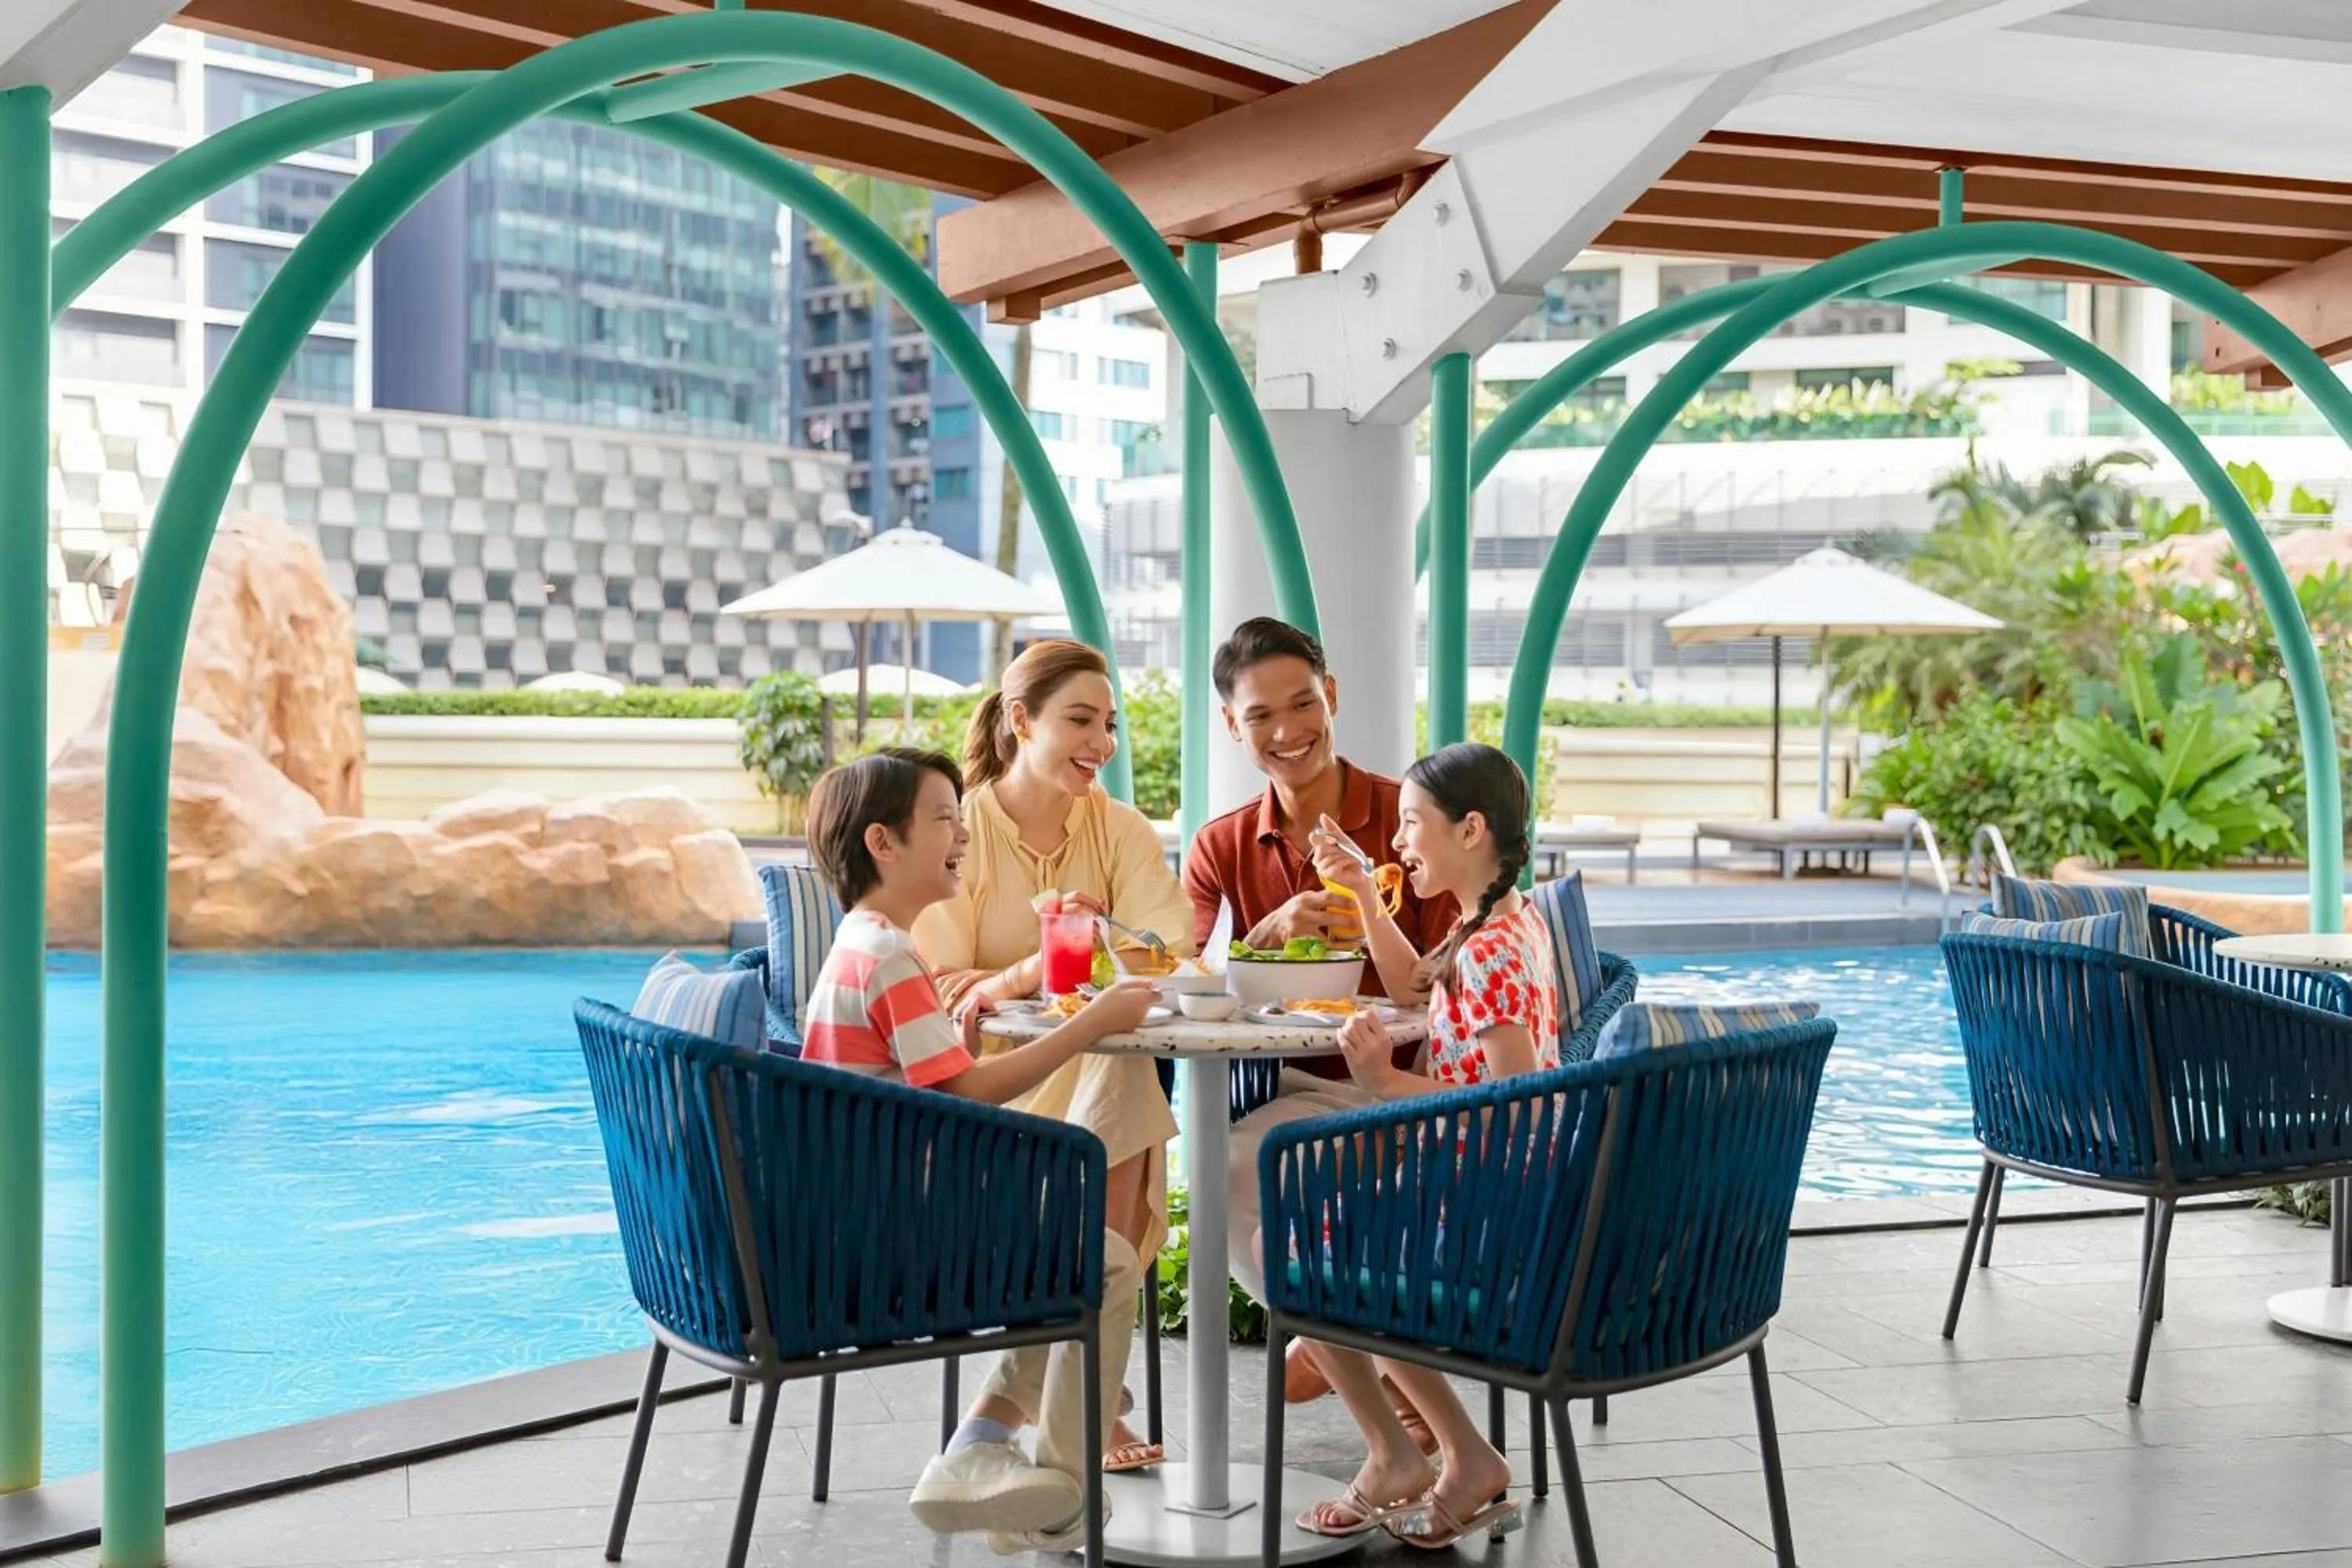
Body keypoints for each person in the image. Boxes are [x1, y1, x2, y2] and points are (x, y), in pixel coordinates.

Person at [799, 747, 1161, 1553]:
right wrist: (1088, 1024)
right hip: (903, 1239)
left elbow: (925, 1079)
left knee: (1064, 1254)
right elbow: (964, 1098)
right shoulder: (893, 953)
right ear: (883, 843)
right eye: (942, 818)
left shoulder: (862, 941)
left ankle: (978, 1452)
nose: (963, 832)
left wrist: (959, 1041)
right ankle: (1061, 1491)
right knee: (1102, 1262)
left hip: (860, 1219)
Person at [1254, 742, 1563, 1547]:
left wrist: (1388, 1084)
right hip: (1480, 1188)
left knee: (1286, 1242)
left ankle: (1416, 1449)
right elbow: (1413, 988)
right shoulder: (1496, 917)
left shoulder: (1492, 948)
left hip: (1487, 1209)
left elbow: (1515, 1110)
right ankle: (1433, 1446)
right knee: (1297, 1226)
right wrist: (1360, 887)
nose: (1400, 843)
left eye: (1413, 825)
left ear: (1470, 829)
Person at [912, 638, 1188, 1472]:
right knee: (1116, 1057)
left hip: (1093, 1088)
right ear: (1019, 720)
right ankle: (1084, 1393)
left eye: (1108, 723)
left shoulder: (1121, 827)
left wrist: (1099, 938)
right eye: (1079, 719)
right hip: (988, 1097)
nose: (1100, 741)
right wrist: (1034, 966)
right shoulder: (956, 825)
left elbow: (1166, 952)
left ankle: (1060, 1395)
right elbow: (936, 984)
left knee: (1116, 1055)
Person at [1185, 618, 1457, 1430]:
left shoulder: (1413, 818)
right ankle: (1367, 1362)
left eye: (1303, 702)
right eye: (1261, 715)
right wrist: (1266, 931)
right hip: (1299, 1088)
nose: (1287, 729)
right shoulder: (1220, 844)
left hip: (1413, 1088)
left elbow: (1452, 968)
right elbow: (1187, 978)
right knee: (1226, 1166)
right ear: (1234, 726)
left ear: (1331, 696)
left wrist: (1375, 916)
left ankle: (1338, 1346)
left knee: (1261, 1173)